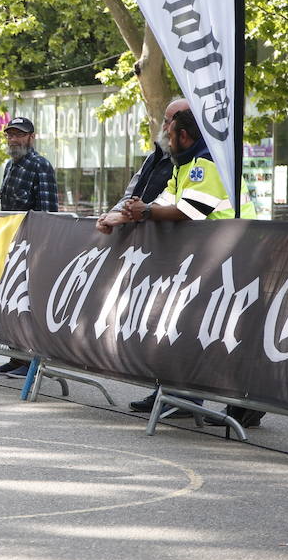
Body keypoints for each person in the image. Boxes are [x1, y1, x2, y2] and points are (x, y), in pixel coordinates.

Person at [120, 107, 260, 423]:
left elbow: (192, 211)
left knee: (222, 333)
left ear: (184, 135)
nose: (165, 134)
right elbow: (168, 200)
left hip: (233, 257)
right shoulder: (184, 164)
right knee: (187, 328)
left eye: (169, 130)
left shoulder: (206, 161)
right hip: (209, 258)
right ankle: (180, 395)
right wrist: (135, 210)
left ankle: (244, 403)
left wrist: (145, 213)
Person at [0, 116, 60, 376]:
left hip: (33, 247)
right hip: (11, 246)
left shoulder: (40, 166)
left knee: (28, 303)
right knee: (12, 300)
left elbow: (48, 211)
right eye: (10, 134)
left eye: (19, 135)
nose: (13, 139)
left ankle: (29, 360)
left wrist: (42, 250)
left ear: (32, 138)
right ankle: (15, 356)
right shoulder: (10, 166)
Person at [95, 98, 186, 234]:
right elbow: (131, 196)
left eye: (171, 122)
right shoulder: (155, 157)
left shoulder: (196, 161)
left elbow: (187, 209)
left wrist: (133, 214)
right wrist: (112, 215)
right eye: (165, 121)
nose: (166, 128)